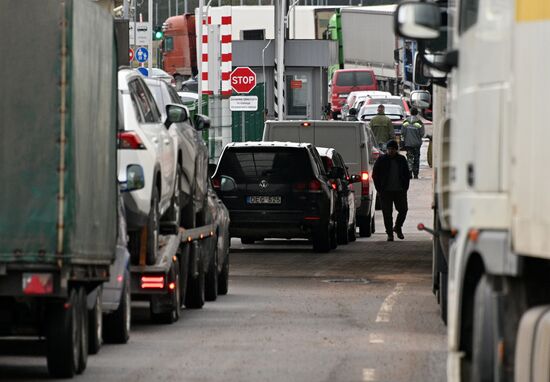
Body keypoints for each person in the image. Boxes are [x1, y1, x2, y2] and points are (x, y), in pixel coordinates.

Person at [372, 140, 410, 241]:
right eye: (389, 149)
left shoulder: (401, 159)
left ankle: (397, 227)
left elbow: (407, 174)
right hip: (385, 191)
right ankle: (389, 233)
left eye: (393, 149)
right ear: (386, 150)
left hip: (399, 190)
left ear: (396, 150)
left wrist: (405, 187)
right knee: (387, 213)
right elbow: (375, 175)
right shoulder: (381, 160)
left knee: (403, 210)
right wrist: (379, 189)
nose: (391, 151)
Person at [401, 107, 425, 179]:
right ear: (417, 113)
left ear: (410, 112)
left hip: (408, 143)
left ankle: (409, 173)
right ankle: (416, 174)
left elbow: (402, 132)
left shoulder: (406, 121)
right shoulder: (419, 122)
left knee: (409, 158)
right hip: (417, 144)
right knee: (416, 158)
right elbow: (422, 134)